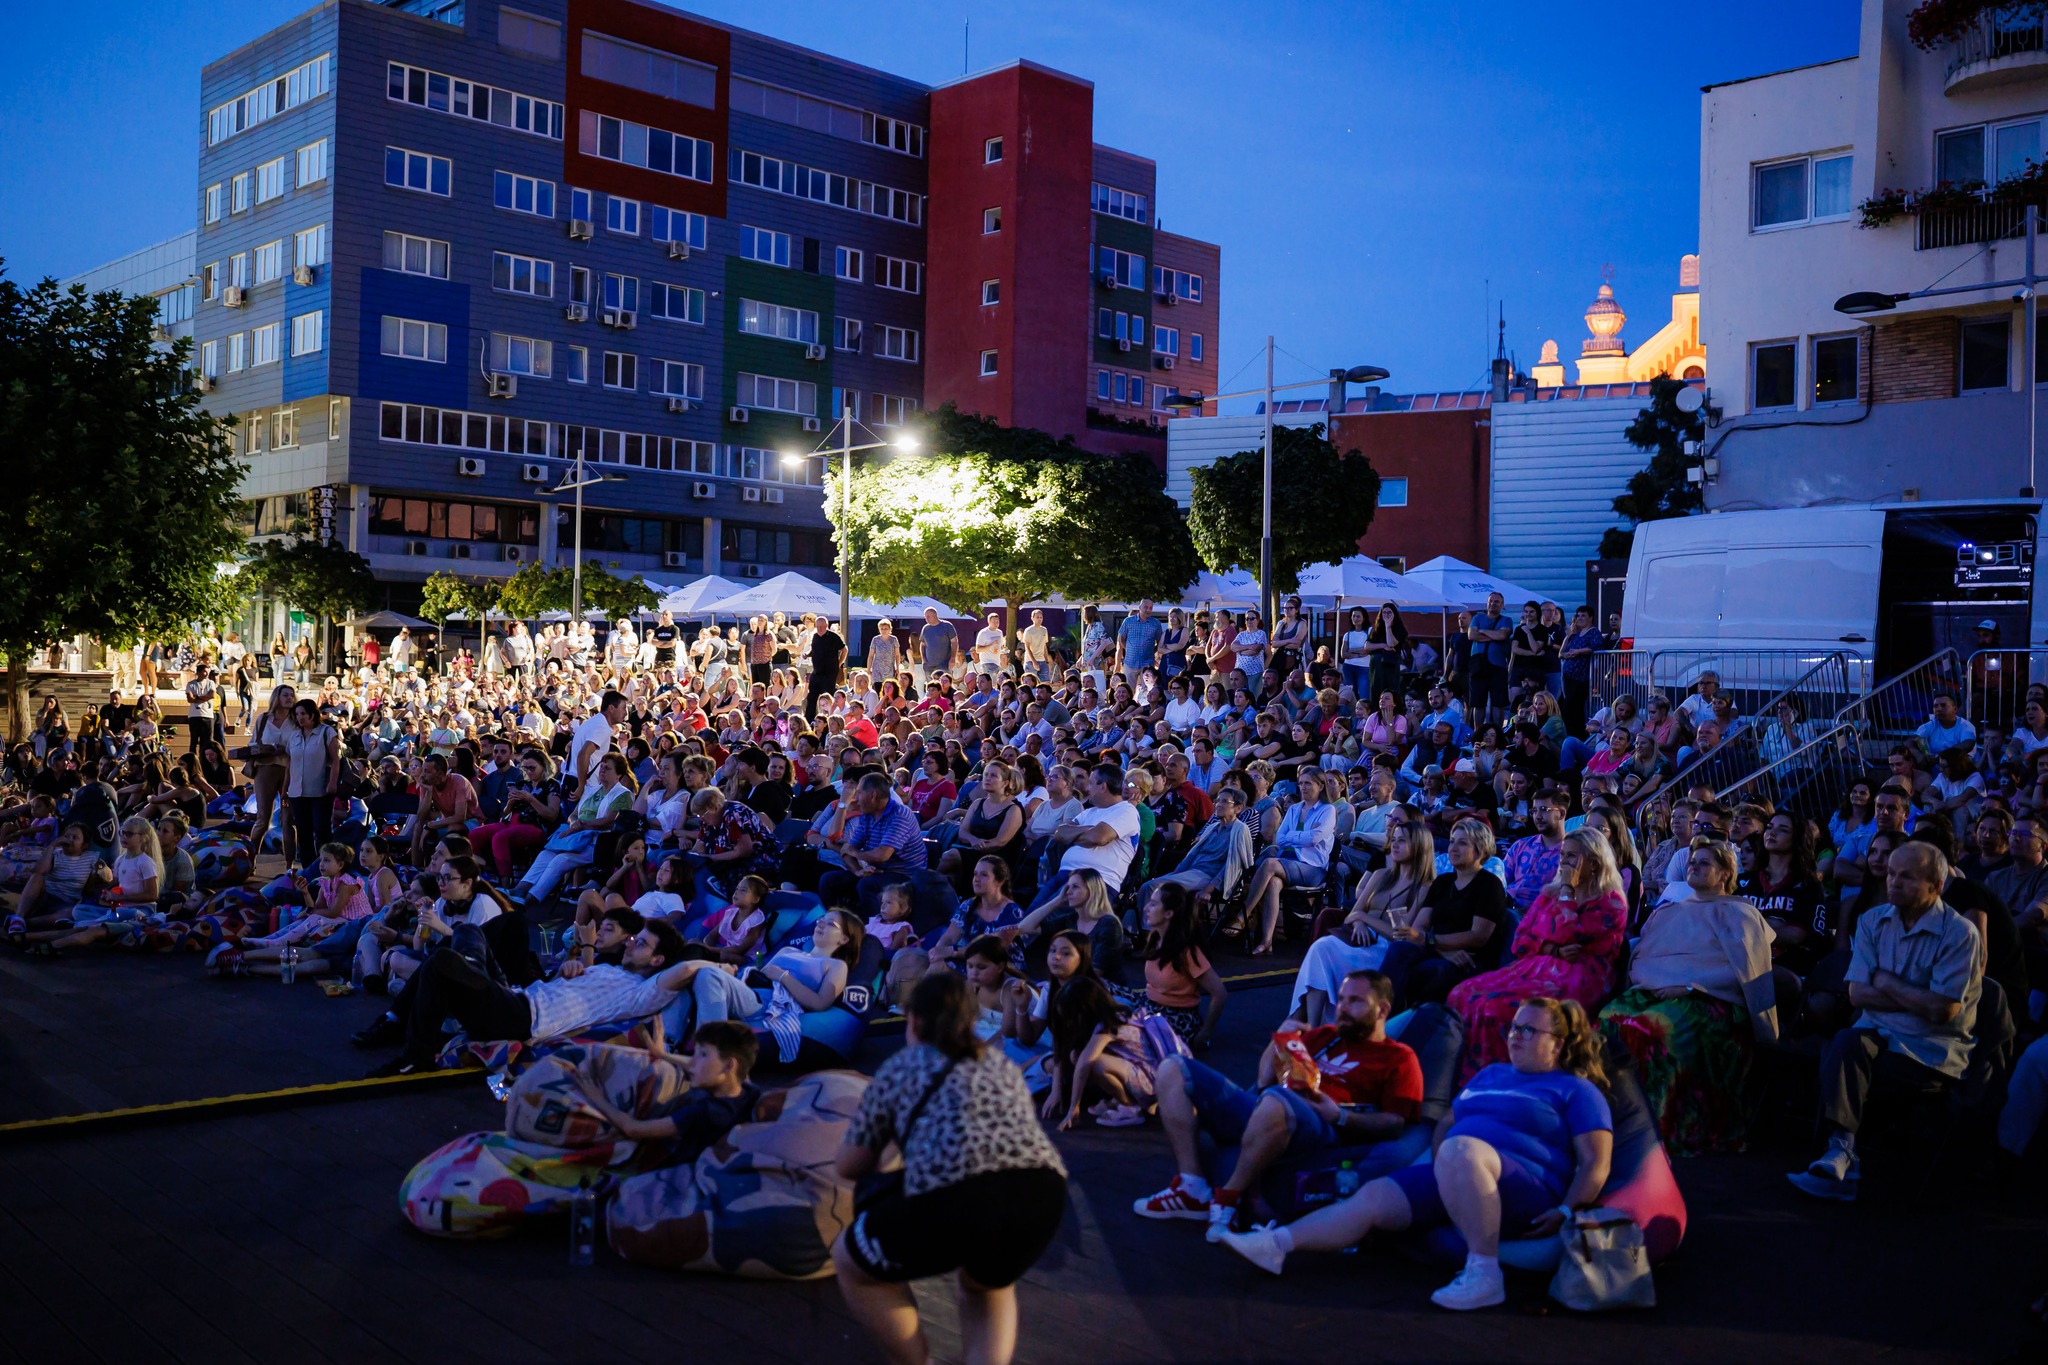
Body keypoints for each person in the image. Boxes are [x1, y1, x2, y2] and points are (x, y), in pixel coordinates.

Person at [1219, 996, 1615, 1314]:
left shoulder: (1575, 1090)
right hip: (1462, 1172)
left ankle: (1484, 1274)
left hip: (1526, 1185)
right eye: (1514, 1027)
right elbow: (1446, 1123)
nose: (1516, 1036)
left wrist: (1566, 1209)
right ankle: (1278, 1245)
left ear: (1558, 1045)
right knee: (1374, 1197)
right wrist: (1448, 1163)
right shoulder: (1490, 1075)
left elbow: (1595, 1163)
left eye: (1530, 1030)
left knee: (1463, 1149)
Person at [834, 970, 1068, 1365]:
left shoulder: (901, 1068)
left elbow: (849, 1165)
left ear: (913, 1021)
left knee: (850, 1259)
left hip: (959, 1198)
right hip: (1042, 1194)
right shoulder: (997, 1065)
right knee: (987, 1287)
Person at [1135, 969, 1424, 1237]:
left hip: (1322, 1124)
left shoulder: (1399, 1058)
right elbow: (1264, 1080)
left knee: (1278, 1098)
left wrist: (1340, 1117)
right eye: (1343, 999)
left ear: (1382, 1010)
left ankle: (1228, 1197)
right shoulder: (1325, 1036)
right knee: (1173, 1067)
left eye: (1356, 1001)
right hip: (1270, 1107)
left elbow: (1397, 1123)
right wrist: (1279, 1041)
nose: (1344, 1008)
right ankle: (1192, 1186)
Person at [1788, 841, 1983, 1201]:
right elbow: (1857, 995)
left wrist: (1887, 982)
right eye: (1892, 874)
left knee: (1848, 1066)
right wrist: (1914, 996)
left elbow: (1942, 1011)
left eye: (1906, 877)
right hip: (1874, 1033)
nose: (1893, 882)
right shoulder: (1873, 920)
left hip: (1930, 1047)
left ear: (1935, 886)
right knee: (1845, 1043)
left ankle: (1844, 1159)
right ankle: (1843, 1151)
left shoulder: (1960, 934)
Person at [1599, 839, 1778, 1154]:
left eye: (1704, 863)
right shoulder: (1671, 910)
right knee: (1608, 1020)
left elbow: (1745, 970)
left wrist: (1691, 986)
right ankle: (1607, 1120)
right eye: (1692, 861)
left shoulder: (1739, 912)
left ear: (1725, 874)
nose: (1693, 866)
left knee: (1652, 1029)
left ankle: (1657, 1128)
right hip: (1656, 990)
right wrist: (1653, 983)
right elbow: (1646, 955)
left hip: (1712, 1000)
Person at [364, 918, 699, 1076]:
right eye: (634, 937)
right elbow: (580, 984)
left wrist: (721, 964)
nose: (630, 943)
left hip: (521, 1017)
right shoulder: (610, 971)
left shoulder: (640, 993)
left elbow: (682, 971)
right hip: (516, 995)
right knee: (468, 931)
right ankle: (403, 1014)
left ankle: (415, 1054)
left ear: (657, 961)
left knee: (442, 962)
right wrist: (571, 967)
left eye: (640, 943)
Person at [1448, 829, 1629, 1080]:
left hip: (1579, 977)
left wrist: (1568, 890)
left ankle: (1507, 1079)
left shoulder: (1611, 902)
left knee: (1496, 1008)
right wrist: (1551, 948)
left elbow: (1568, 932)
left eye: (1572, 858)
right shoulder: (1549, 894)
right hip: (1534, 966)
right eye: (1563, 856)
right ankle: (1463, 1080)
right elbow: (1521, 941)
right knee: (1462, 994)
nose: (1564, 863)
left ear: (1595, 863)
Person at [565, 1019, 763, 1155]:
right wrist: (663, 1054)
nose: (693, 1062)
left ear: (729, 1065)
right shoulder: (748, 1090)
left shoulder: (704, 1113)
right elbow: (696, 1065)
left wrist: (597, 1098)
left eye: (702, 1055)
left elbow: (633, 1129)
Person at [1381, 818, 1511, 1006]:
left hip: (1469, 960)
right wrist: (1441, 949)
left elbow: (1477, 936)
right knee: (1399, 949)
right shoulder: (1442, 882)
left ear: (1480, 849)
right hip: (1440, 952)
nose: (1453, 848)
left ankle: (1400, 1022)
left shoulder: (1489, 885)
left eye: (1462, 843)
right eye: (1452, 841)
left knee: (1428, 972)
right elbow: (1419, 928)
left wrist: (1430, 941)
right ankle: (1379, 1016)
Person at [1244, 766, 1338, 956]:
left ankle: (1243, 914)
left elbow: (1314, 839)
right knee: (1273, 882)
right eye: (1301, 783)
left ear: (1320, 786)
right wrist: (1303, 835)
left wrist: (1293, 835)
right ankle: (1267, 941)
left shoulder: (1328, 810)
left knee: (1269, 864)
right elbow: (1280, 838)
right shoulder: (1294, 808)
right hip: (1288, 862)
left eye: (1308, 783)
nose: (1303, 787)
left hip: (1313, 868)